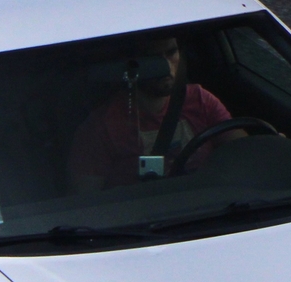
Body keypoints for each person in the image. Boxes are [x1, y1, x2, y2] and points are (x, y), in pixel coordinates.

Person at [67, 39, 233, 188]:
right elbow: (86, 200)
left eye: (171, 52)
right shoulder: (100, 127)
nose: (166, 66)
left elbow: (243, 152)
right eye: (152, 58)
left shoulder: (200, 100)